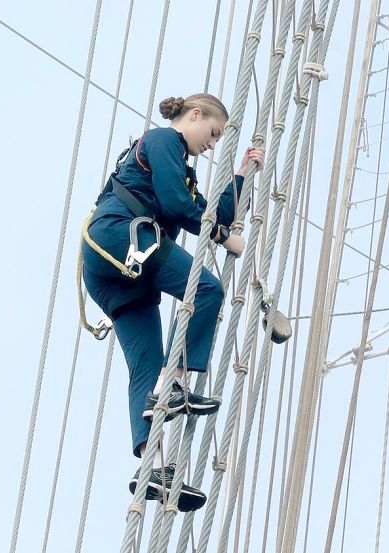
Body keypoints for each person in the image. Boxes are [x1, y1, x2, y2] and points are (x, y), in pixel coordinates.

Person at [81, 94, 264, 510]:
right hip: (120, 234)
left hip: (116, 269)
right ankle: (176, 382)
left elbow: (207, 212)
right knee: (207, 290)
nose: (212, 144)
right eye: (213, 133)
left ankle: (154, 469)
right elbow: (178, 206)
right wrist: (221, 237)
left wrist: (242, 175)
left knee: (145, 365)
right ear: (195, 116)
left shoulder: (183, 170)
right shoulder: (164, 141)